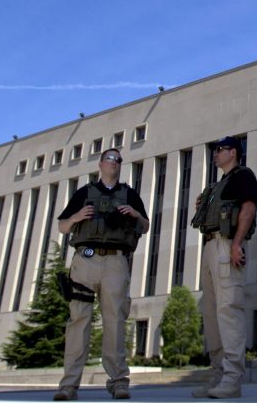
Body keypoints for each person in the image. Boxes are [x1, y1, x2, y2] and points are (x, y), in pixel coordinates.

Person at [53, 148, 150, 401]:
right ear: (100, 164)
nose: (114, 163)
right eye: (110, 158)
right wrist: (76, 217)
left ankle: (118, 381)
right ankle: (68, 385)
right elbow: (63, 226)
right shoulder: (84, 193)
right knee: (78, 320)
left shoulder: (129, 193)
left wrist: (135, 213)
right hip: (85, 260)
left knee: (115, 321)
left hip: (116, 261)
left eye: (118, 160)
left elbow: (146, 225)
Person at [190, 136, 257, 399]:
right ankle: (218, 375)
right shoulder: (218, 184)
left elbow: (249, 207)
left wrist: (237, 244)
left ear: (233, 152)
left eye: (219, 150)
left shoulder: (244, 176)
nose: (215, 154)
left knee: (228, 310)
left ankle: (232, 378)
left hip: (227, 245)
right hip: (210, 247)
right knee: (211, 314)